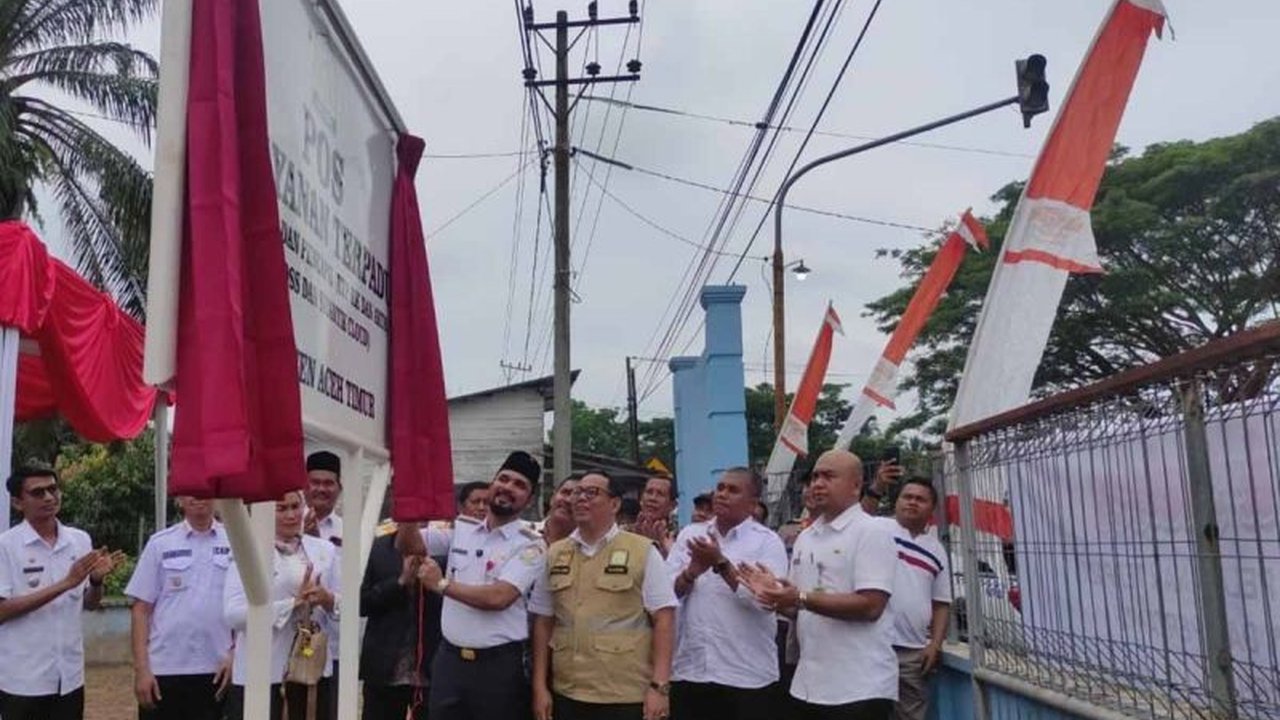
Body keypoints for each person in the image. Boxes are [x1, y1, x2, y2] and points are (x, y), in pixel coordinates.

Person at [740, 450, 898, 720]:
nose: (817, 484)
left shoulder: (872, 531)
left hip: (859, 687)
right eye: (814, 477)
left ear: (856, 485)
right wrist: (774, 596)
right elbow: (799, 608)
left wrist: (799, 598)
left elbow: (871, 606)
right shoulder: (806, 537)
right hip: (808, 685)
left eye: (828, 476)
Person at [396, 451, 547, 720]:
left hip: (497, 668)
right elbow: (408, 544)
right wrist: (409, 509)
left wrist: (442, 584)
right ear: (492, 484)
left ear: (529, 499)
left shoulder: (531, 545)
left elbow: (499, 597)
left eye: (519, 485)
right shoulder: (462, 530)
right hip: (450, 662)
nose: (508, 487)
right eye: (504, 479)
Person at [530, 471, 677, 720]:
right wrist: (539, 687)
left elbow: (664, 618)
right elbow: (543, 622)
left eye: (592, 493)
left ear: (614, 504)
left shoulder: (642, 551)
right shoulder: (555, 553)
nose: (581, 498)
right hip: (568, 691)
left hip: (625, 694)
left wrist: (660, 686)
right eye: (577, 492)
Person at [0, 466, 126, 720]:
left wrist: (96, 581)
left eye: (53, 489)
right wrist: (66, 583)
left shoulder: (79, 540)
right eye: (38, 493)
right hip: (23, 679)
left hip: (69, 676)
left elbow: (89, 604)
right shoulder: (6, 546)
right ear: (17, 502)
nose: (49, 497)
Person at [667, 468, 788, 720]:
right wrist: (691, 572)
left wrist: (721, 563)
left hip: (745, 675)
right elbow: (668, 595)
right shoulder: (691, 534)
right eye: (720, 488)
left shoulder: (767, 542)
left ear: (753, 503)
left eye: (733, 490)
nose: (722, 494)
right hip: (691, 671)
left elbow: (766, 601)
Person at [224, 490, 340, 720]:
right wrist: (292, 605)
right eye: (281, 508)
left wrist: (327, 599)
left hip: (312, 670)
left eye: (295, 507)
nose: (291, 515)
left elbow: (347, 605)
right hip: (263, 673)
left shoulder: (324, 550)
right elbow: (233, 615)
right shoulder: (248, 551)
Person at [126, 496, 235, 720]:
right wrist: (142, 669)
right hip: (164, 670)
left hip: (218, 669)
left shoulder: (236, 543)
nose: (198, 497)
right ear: (179, 499)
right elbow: (141, 609)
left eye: (204, 491)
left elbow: (248, 607)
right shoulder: (160, 544)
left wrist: (236, 655)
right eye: (191, 492)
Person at [872, 479, 951, 720]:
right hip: (872, 644)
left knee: (911, 714)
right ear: (896, 502)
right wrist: (877, 486)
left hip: (913, 652)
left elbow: (941, 603)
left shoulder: (936, 550)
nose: (912, 502)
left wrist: (935, 644)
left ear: (932, 509)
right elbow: (857, 513)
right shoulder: (877, 528)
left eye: (920, 499)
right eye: (907, 497)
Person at [359, 519, 444, 720]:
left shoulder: (445, 549)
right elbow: (361, 604)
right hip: (385, 669)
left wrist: (438, 583)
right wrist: (400, 582)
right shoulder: (377, 549)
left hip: (431, 670)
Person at [303, 451, 344, 546]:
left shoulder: (346, 530)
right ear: (303, 486)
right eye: (315, 482)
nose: (321, 489)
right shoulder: (288, 523)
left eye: (328, 483)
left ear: (340, 488)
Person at [632, 474, 678, 555]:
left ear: (672, 505)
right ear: (641, 499)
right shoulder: (624, 532)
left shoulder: (678, 537)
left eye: (660, 494)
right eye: (649, 492)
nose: (652, 498)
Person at [542, 475, 580, 545]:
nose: (568, 500)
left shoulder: (588, 547)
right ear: (552, 497)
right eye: (565, 492)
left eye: (577, 497)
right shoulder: (523, 532)